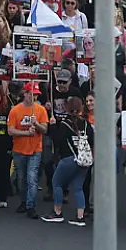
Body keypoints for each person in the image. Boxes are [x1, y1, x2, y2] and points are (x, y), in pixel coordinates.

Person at [41, 96, 93, 226]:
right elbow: (92, 140)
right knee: (78, 187)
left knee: (57, 182)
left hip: (69, 158)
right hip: (84, 159)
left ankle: (57, 213)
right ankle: (80, 217)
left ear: (67, 108)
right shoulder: (86, 124)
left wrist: (53, 126)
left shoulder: (65, 124)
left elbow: (58, 141)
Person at [8, 81, 50, 218]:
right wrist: (26, 133)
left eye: (36, 95)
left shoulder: (41, 110)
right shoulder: (15, 110)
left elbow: (44, 129)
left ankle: (31, 206)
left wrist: (36, 124)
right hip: (19, 149)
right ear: (25, 94)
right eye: (32, 94)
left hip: (35, 149)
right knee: (21, 178)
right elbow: (11, 130)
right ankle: (24, 201)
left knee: (32, 178)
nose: (34, 98)